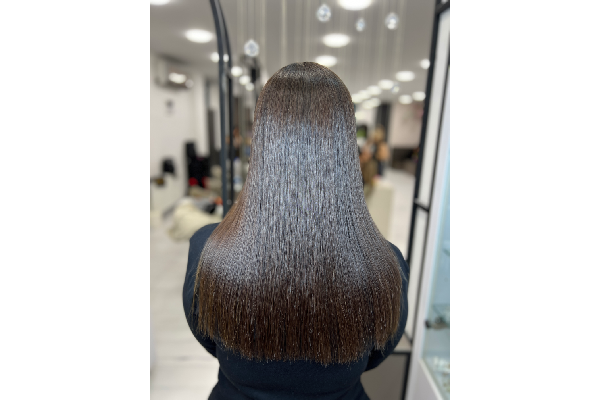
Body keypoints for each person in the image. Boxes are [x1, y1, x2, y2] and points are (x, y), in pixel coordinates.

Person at [182, 62, 409, 400]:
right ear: (345, 146)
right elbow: (376, 355)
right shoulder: (386, 265)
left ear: (263, 139)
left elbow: (209, 339)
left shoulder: (208, 250)